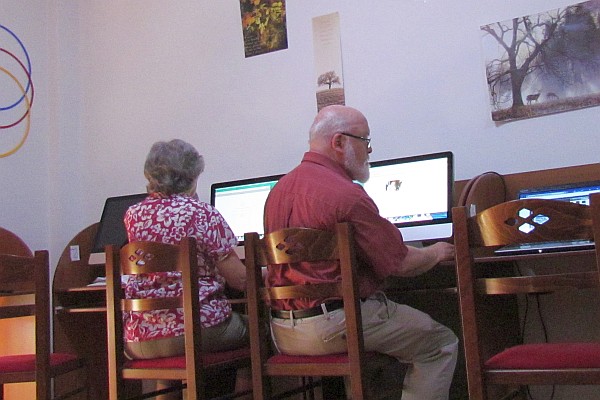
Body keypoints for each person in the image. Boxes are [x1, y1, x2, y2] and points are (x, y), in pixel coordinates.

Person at [264, 105, 459, 400]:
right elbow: (401, 264)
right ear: (339, 142)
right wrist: (436, 252)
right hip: (334, 326)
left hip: (283, 331)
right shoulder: (346, 195)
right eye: (365, 140)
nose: (370, 150)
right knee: (440, 343)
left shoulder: (277, 192)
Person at [123, 139, 250, 399]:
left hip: (140, 338)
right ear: (191, 177)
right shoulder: (202, 213)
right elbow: (239, 280)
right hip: (193, 333)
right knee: (259, 331)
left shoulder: (133, 215)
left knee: (173, 355)